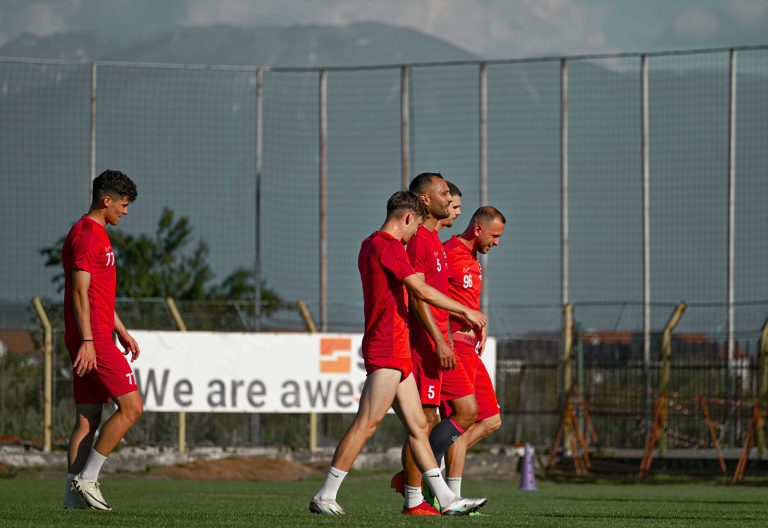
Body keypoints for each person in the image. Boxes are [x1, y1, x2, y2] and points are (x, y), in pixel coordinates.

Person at [309, 191, 487, 517]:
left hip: (398, 347)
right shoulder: (386, 246)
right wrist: (468, 311)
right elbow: (419, 289)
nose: (413, 235)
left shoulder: (369, 243)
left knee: (419, 427)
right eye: (414, 227)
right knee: (368, 422)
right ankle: (325, 494)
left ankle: (446, 499)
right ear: (407, 218)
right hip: (387, 346)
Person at [393, 173, 479, 514]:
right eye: (444, 193)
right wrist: (440, 341)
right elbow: (417, 297)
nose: (450, 199)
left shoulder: (432, 241)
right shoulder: (418, 242)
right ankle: (415, 494)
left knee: (429, 419)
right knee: (422, 421)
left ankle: (416, 490)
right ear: (426, 200)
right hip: (423, 344)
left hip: (436, 343)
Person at [61, 169, 143, 511]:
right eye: (123, 205)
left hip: (95, 334)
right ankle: (88, 479)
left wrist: (120, 328)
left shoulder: (97, 233)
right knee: (132, 408)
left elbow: (98, 292)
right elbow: (80, 292)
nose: (125, 211)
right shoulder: (87, 236)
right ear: (105, 201)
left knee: (88, 417)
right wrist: (91, 341)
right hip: (92, 339)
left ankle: (72, 498)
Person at [441, 206, 507, 499]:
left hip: (472, 349)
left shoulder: (473, 260)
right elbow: (428, 296)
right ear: (478, 229)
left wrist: (479, 320)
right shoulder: (447, 252)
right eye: (495, 236)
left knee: (492, 420)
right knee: (461, 418)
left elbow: (465, 298)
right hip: (455, 347)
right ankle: (450, 494)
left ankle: (431, 467)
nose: (497, 243)